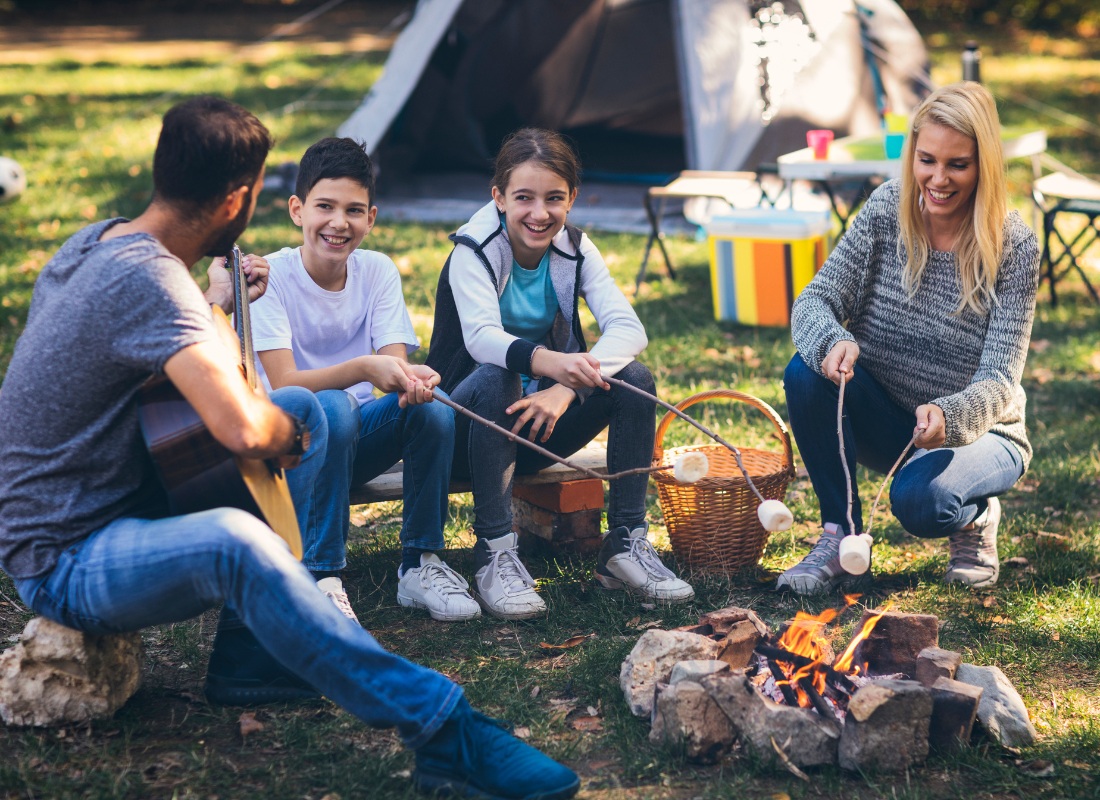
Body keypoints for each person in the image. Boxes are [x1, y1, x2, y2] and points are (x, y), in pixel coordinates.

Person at [0, 96, 579, 800]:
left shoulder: (97, 243)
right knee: (238, 531)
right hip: (63, 552)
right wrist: (297, 437)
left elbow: (159, 368)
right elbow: (247, 429)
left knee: (297, 403)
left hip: (109, 503)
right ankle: (442, 727)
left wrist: (219, 306)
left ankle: (248, 658)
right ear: (241, 200)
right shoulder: (154, 284)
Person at [776, 82, 1040, 595]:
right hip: (889, 417)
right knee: (803, 371)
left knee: (921, 504)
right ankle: (840, 536)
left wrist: (951, 415)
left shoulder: (1015, 245)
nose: (937, 179)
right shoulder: (886, 210)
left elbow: (1000, 379)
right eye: (927, 160)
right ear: (912, 154)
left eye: (957, 165)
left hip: (983, 432)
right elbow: (815, 299)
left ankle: (976, 518)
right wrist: (832, 342)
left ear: (984, 164)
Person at [426, 128, 694, 620]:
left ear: (572, 198)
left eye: (554, 198)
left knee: (634, 378)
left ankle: (625, 543)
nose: (539, 213)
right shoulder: (473, 250)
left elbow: (629, 330)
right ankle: (494, 551)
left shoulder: (573, 247)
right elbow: (482, 339)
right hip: (468, 433)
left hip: (538, 427)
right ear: (499, 198)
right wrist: (555, 367)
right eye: (523, 198)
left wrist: (565, 389)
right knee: (494, 375)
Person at [249, 138, 476, 624]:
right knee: (330, 406)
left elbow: (392, 371)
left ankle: (420, 564)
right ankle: (321, 573)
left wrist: (411, 379)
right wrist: (363, 368)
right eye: (324, 207)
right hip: (291, 451)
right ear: (297, 210)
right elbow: (286, 380)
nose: (339, 223)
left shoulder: (376, 271)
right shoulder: (271, 276)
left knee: (432, 407)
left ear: (371, 218)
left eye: (354, 210)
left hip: (352, 442)